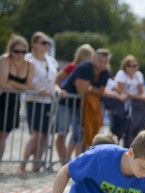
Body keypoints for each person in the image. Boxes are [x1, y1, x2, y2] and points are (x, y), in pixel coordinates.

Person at [20, 32, 60, 173]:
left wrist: (58, 89)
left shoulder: (51, 61)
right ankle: (23, 164)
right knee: (36, 134)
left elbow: (53, 82)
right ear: (34, 44)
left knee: (44, 135)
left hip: (48, 101)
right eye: (43, 42)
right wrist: (37, 90)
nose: (46, 45)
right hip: (34, 99)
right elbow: (25, 82)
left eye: (48, 43)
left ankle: (36, 164)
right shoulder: (28, 59)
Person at [60, 48, 110, 158]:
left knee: (81, 135)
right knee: (64, 133)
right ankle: (65, 161)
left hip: (83, 106)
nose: (102, 64)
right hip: (67, 102)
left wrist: (90, 88)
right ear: (93, 59)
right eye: (100, 61)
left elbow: (100, 91)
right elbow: (82, 90)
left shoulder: (105, 72)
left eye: (105, 62)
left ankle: (77, 160)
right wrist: (93, 90)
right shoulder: (85, 68)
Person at [53, 43, 94, 165]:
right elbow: (57, 79)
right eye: (85, 55)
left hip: (78, 105)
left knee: (77, 134)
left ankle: (68, 160)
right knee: (63, 132)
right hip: (66, 103)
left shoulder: (89, 70)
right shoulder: (72, 66)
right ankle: (63, 160)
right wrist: (60, 90)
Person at [0, 35, 34, 163]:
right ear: (10, 50)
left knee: (4, 135)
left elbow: (27, 87)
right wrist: (18, 86)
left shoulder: (29, 65)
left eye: (23, 52)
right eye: (16, 51)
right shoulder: (4, 60)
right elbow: (2, 83)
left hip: (13, 102)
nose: (20, 54)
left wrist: (11, 83)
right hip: (2, 99)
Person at [114, 55, 145, 148]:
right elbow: (123, 91)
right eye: (129, 65)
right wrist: (139, 97)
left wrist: (136, 95)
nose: (132, 68)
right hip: (124, 107)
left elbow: (141, 91)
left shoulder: (138, 75)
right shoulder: (121, 74)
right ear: (125, 66)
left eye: (134, 66)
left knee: (136, 130)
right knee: (125, 130)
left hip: (136, 107)